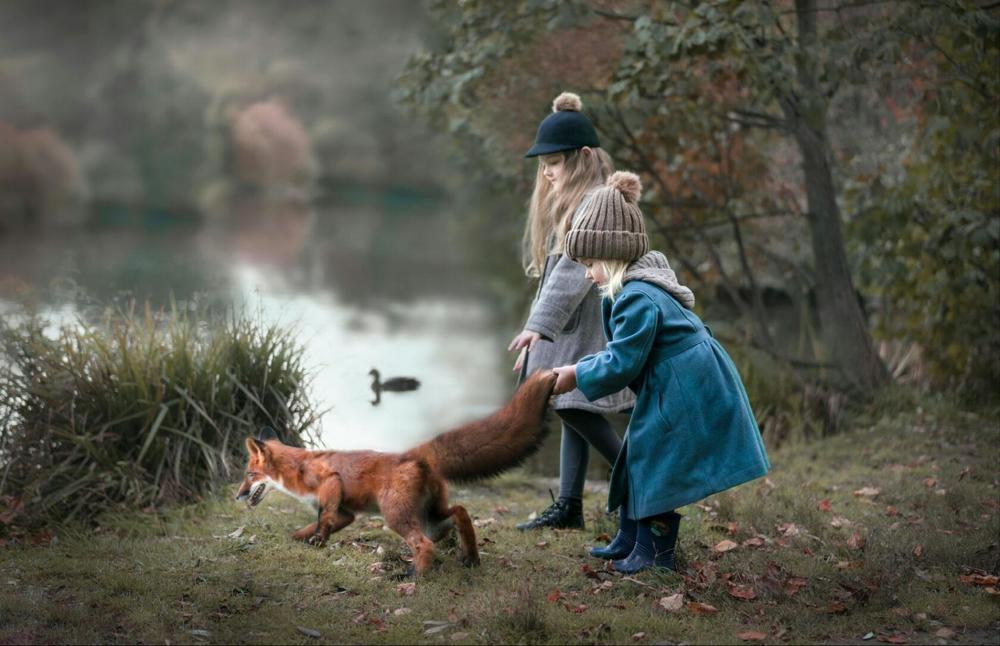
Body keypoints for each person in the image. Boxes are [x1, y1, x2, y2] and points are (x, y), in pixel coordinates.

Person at [551, 171, 770, 573]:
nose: (587, 274)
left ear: (612, 256)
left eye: (590, 264)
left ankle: (655, 555)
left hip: (688, 385)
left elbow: (622, 362)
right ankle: (630, 537)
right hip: (674, 380)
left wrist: (577, 373)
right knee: (637, 452)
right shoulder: (634, 289)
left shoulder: (637, 298)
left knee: (656, 461)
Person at [509, 91, 635, 530]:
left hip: (587, 325)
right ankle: (570, 505)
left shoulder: (596, 201)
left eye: (555, 163)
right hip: (571, 327)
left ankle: (639, 482)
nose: (546, 173)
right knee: (571, 405)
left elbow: (568, 274)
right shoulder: (575, 202)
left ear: (583, 157)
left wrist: (538, 328)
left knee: (573, 405)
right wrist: (538, 331)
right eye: (543, 165)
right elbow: (551, 278)